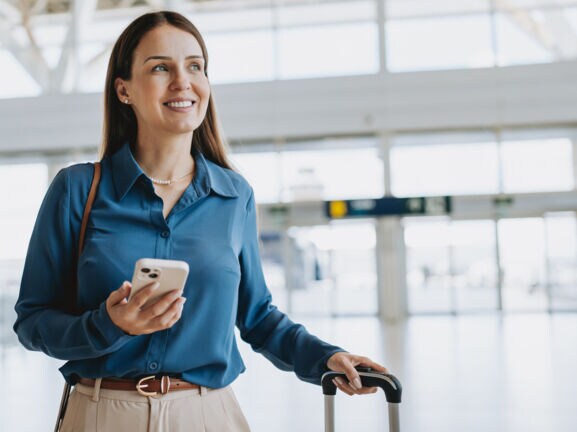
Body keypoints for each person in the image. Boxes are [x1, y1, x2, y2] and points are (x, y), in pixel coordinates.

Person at [14, 10, 388, 431]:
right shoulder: (77, 190)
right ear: (124, 90)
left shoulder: (234, 196)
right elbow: (33, 321)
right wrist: (108, 325)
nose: (182, 82)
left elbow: (258, 317)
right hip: (103, 414)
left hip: (208, 415)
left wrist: (325, 357)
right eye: (160, 67)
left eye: (195, 66)